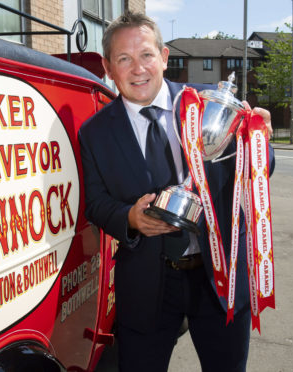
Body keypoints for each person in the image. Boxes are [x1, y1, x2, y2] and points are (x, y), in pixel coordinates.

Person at [78, 11, 275, 372]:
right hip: (147, 284)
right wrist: (130, 219)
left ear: (164, 58)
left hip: (219, 277)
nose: (138, 68)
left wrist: (259, 142)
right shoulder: (94, 133)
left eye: (146, 55)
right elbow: (96, 203)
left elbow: (257, 171)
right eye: (124, 58)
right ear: (108, 67)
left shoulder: (209, 105)